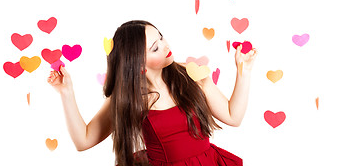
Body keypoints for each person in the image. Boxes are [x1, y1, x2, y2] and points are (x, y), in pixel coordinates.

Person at [47, 20, 258, 166]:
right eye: (155, 48)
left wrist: (244, 71)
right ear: (139, 64)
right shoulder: (129, 97)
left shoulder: (189, 73)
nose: (166, 46)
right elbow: (83, 141)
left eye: (161, 38)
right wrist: (66, 93)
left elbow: (233, 116)